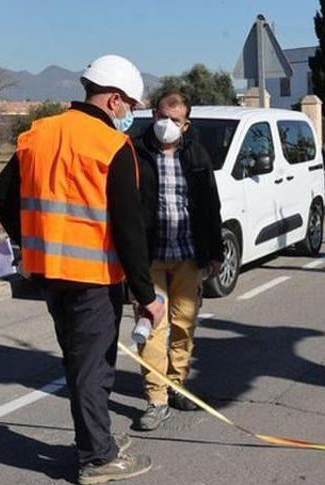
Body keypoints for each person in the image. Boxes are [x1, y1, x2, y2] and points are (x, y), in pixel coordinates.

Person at [0, 54, 161, 485]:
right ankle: (97, 457)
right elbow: (129, 229)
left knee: (77, 362)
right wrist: (146, 295)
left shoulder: (38, 134)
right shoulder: (112, 147)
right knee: (93, 368)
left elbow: (0, 196)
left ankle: (94, 439)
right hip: (93, 279)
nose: (131, 116)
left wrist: (29, 240)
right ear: (115, 101)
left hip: (48, 273)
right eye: (132, 107)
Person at [128, 90, 224, 431]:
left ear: (186, 125)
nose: (166, 125)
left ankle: (177, 383)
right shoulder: (134, 153)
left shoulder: (196, 156)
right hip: (149, 258)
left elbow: (211, 205)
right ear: (153, 115)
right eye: (161, 117)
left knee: (184, 324)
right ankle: (156, 399)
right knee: (153, 328)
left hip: (187, 256)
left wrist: (215, 252)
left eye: (174, 120)